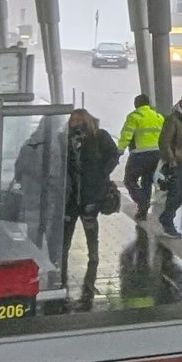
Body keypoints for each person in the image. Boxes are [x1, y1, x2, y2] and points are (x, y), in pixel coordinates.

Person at [63, 109, 121, 264]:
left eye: (80, 120)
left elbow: (113, 154)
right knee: (66, 227)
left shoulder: (99, 136)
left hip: (92, 191)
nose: (76, 123)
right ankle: (62, 257)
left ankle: (93, 256)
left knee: (90, 225)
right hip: (70, 193)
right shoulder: (65, 138)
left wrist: (102, 172)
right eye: (73, 120)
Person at [117, 93, 165, 220]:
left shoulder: (134, 116)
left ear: (136, 104)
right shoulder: (158, 117)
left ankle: (142, 202)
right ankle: (143, 211)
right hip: (156, 154)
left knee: (129, 180)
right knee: (147, 182)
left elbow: (126, 135)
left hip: (139, 154)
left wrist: (119, 151)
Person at [156, 91, 182, 238]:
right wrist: (171, 160)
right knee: (175, 193)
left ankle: (166, 217)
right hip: (177, 162)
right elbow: (164, 141)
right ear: (181, 102)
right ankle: (167, 222)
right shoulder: (173, 119)